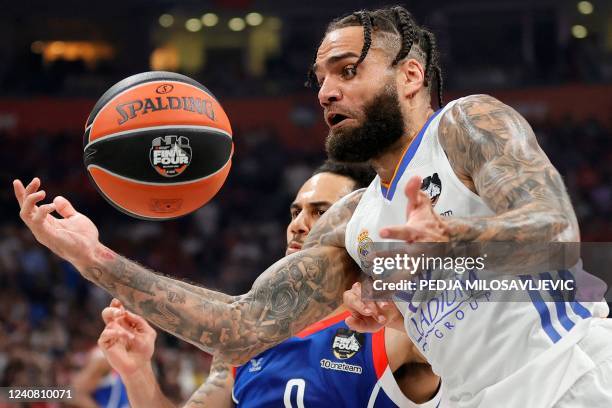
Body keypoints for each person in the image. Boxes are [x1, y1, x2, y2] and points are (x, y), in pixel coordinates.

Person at [14, 5, 612, 407]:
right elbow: (243, 327)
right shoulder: (354, 220)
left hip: (572, 378)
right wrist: (92, 256)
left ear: (410, 75)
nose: (327, 90)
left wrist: (454, 245)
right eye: (321, 77)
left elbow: (551, 231)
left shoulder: (465, 124)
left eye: (347, 71)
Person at [96, 161, 444, 407]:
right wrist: (137, 371)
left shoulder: (393, 321)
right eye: (295, 212)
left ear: (359, 228)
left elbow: (486, 294)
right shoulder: (248, 339)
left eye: (321, 212)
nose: (299, 225)